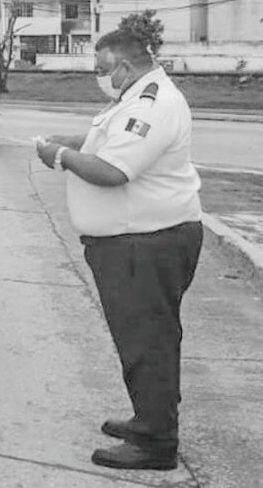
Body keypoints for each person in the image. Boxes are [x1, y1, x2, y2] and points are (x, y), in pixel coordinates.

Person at [35, 30, 202, 471]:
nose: (99, 77)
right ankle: (149, 416)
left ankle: (155, 442)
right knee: (143, 339)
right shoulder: (133, 98)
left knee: (148, 340)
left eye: (102, 69)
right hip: (134, 244)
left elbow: (112, 170)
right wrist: (73, 141)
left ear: (125, 66)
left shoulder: (153, 104)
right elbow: (107, 142)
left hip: (144, 245)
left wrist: (58, 156)